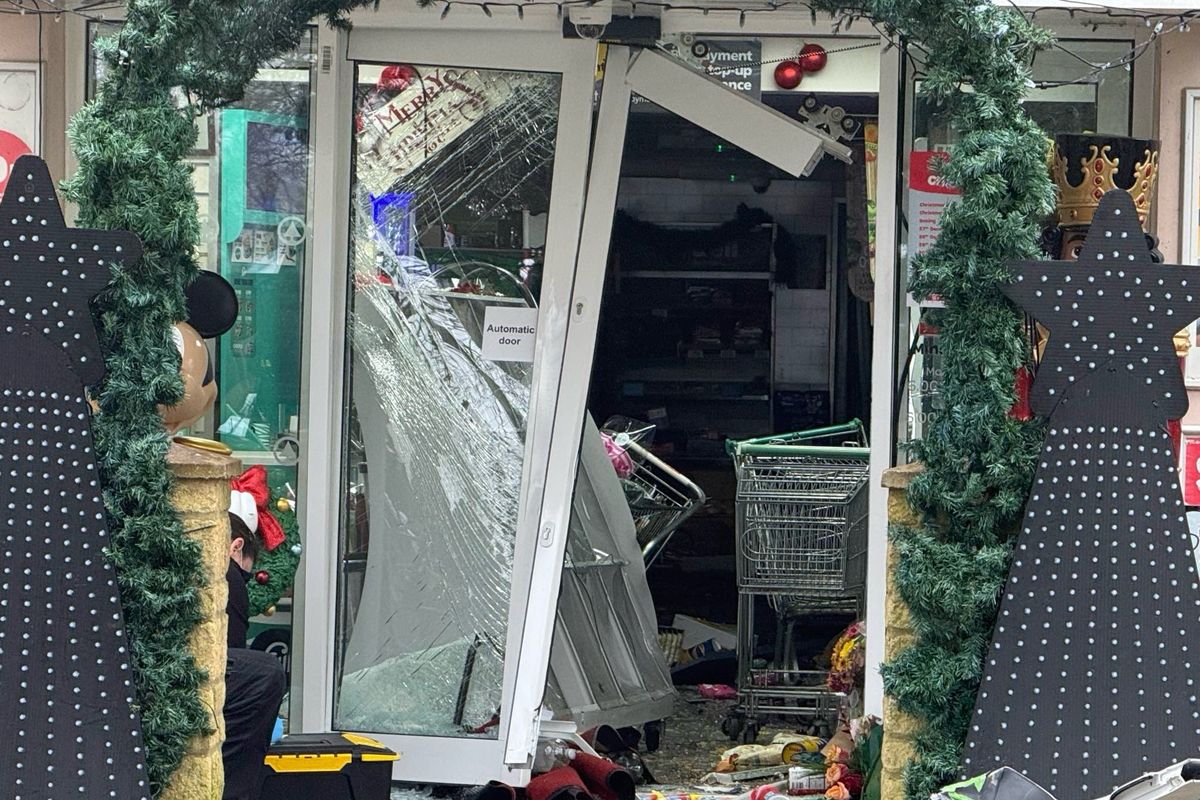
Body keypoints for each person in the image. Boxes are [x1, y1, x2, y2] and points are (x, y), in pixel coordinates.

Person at [223, 494, 287, 800]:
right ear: (236, 547)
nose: (243, 581)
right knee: (264, 675)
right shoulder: (228, 577)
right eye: (247, 574)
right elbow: (227, 669)